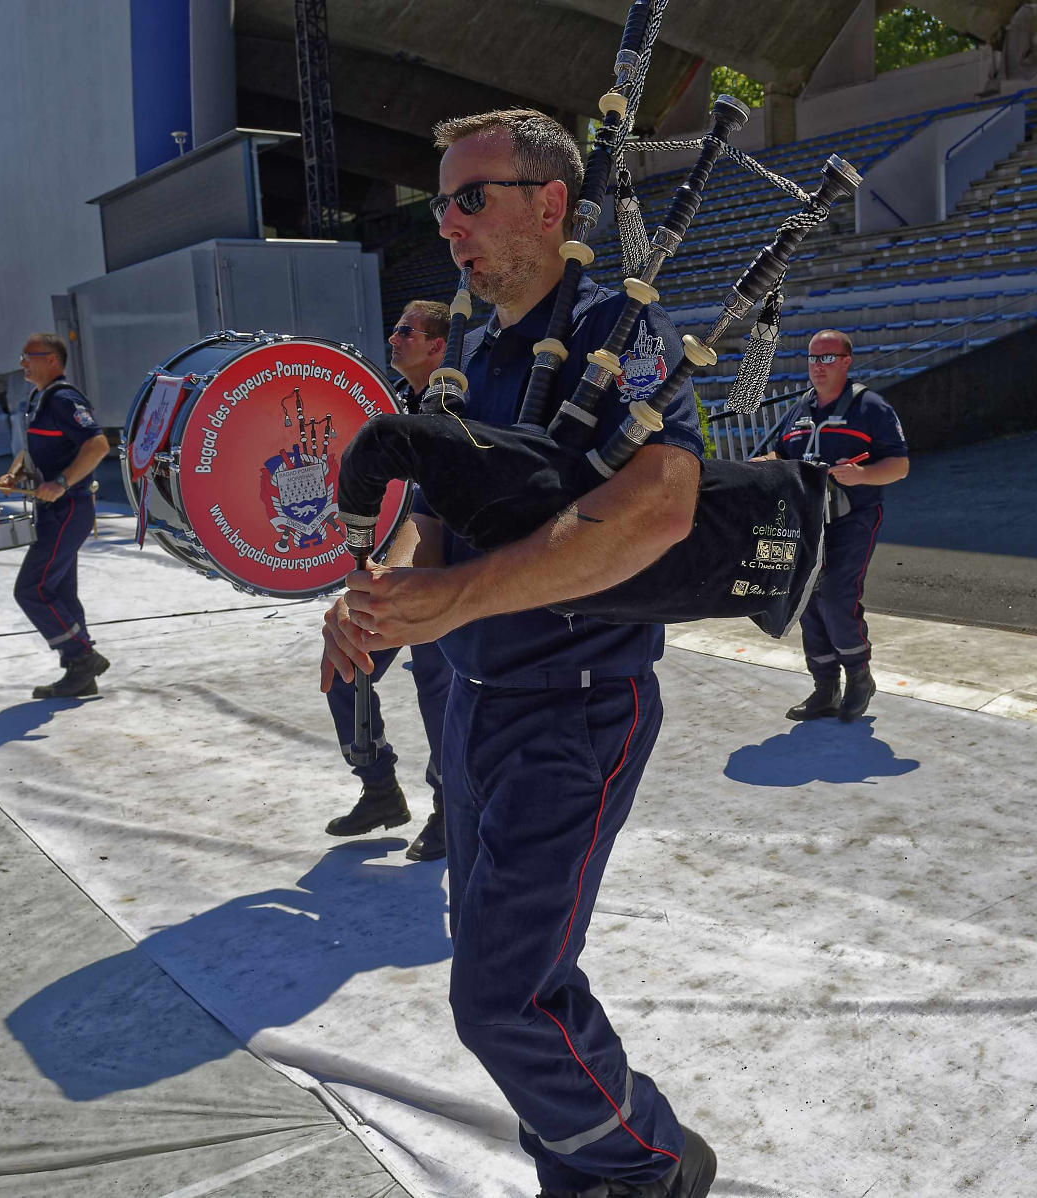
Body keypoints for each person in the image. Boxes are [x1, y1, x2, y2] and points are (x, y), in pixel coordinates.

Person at [320, 109, 716, 1198]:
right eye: (440, 204)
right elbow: (444, 516)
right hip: (479, 706)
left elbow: (662, 506)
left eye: (471, 198)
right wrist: (386, 591)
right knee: (507, 968)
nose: (448, 228)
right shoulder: (485, 349)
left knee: (504, 996)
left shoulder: (618, 331)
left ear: (551, 204)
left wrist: (451, 595)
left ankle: (651, 1161)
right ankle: (579, 1172)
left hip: (576, 708)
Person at [320, 300, 455, 861]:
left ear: (438, 346)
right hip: (397, 566)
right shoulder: (396, 405)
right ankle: (378, 788)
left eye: (406, 331)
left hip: (445, 575)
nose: (393, 338)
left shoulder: (456, 407)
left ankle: (450, 809)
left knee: (439, 690)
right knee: (346, 664)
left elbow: (436, 510)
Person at [755, 329, 908, 722]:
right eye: (812, 358)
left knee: (838, 596)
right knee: (805, 599)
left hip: (852, 518)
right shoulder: (799, 409)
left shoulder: (870, 407)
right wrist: (766, 462)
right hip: (807, 522)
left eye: (827, 358)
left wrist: (863, 475)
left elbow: (900, 465)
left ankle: (859, 677)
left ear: (846, 361)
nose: (818, 367)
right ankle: (824, 687)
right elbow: (782, 451)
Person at [1, 334, 110, 699]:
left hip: (69, 508)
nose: (22, 363)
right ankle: (80, 676)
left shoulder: (64, 399)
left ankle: (83, 655)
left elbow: (98, 445)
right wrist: (14, 473)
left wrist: (62, 482)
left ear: (51, 360)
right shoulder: (39, 399)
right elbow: (31, 448)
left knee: (31, 590)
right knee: (60, 591)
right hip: (54, 510)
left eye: (28, 356)